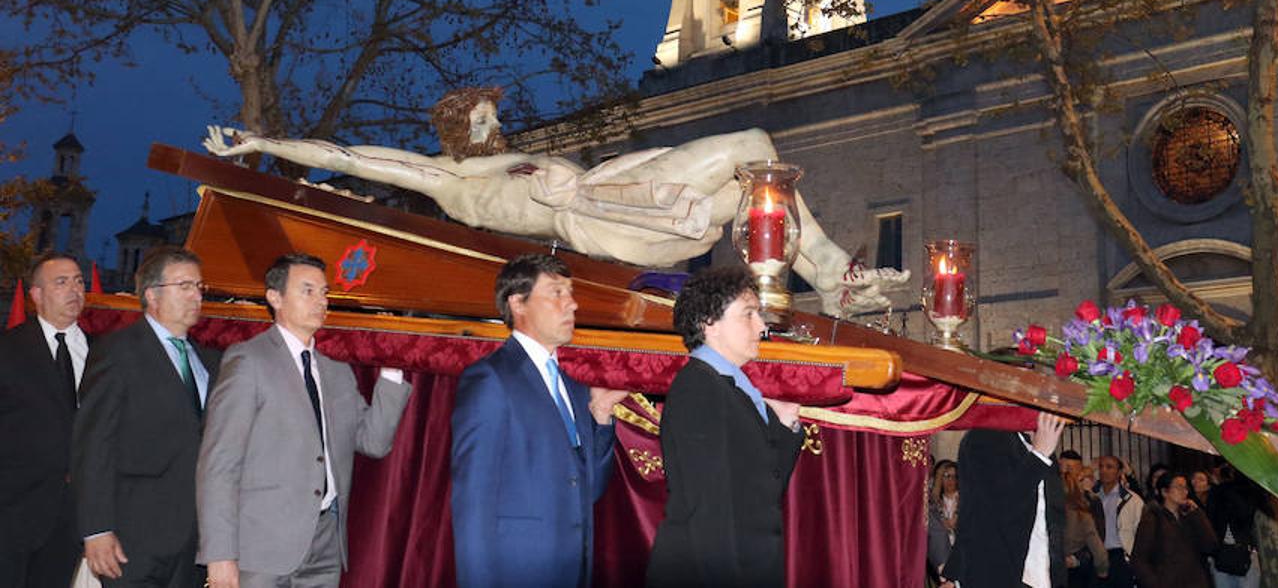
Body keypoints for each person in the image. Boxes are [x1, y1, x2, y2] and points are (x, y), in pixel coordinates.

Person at [204, 87, 908, 314]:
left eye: (494, 118)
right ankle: (830, 278)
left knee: (759, 176)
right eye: (483, 122)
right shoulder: (451, 180)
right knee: (753, 144)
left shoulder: (504, 158)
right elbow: (351, 156)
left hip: (619, 186)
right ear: (457, 133)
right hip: (606, 215)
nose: (497, 128)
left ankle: (834, 279)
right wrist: (260, 141)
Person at [196, 253, 412, 587]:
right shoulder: (248, 360)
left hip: (325, 541)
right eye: (307, 291)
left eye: (324, 293)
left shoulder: (337, 372)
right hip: (262, 547)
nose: (320, 301)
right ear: (275, 297)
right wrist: (219, 555)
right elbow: (220, 464)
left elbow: (373, 441)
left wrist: (392, 368)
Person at [451, 254, 628, 588]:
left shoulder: (574, 388)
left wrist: (601, 420)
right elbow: (473, 503)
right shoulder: (491, 379)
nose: (572, 304)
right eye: (557, 293)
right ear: (518, 303)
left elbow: (589, 489)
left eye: (571, 293)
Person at [646, 266, 804, 588]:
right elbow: (710, 509)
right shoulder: (699, 388)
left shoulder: (731, 387)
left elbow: (763, 487)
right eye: (749, 314)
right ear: (710, 324)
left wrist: (786, 427)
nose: (761, 326)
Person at [72, 246, 221, 587]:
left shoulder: (210, 360)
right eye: (184, 286)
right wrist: (96, 529)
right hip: (134, 536)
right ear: (152, 295)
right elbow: (93, 445)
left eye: (200, 286)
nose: (196, 295)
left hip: (193, 540)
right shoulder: (117, 352)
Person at [0, 254, 88, 588]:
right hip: (11, 511)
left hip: (70, 517)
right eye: (61, 282)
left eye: (79, 281)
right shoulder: (8, 349)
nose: (74, 289)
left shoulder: (103, 354)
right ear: (36, 295)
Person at [943, 414, 1067, 588]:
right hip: (996, 573)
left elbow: (1053, 519)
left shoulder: (1043, 447)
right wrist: (1038, 457)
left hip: (1042, 575)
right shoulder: (984, 437)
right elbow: (991, 509)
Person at [1130, 471, 1219, 588]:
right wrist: (1155, 583)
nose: (1184, 491)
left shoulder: (1190, 517)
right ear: (1164, 492)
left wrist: (1197, 513)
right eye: (1179, 487)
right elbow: (1139, 559)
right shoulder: (1153, 519)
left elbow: (1211, 545)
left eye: (1186, 488)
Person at [1096, 454, 1144, 588]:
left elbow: (1141, 532)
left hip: (1120, 555)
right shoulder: (1092, 496)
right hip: (1097, 554)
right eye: (1101, 467)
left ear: (1119, 472)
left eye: (1109, 467)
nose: (1104, 470)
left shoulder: (1132, 500)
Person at [1062, 469, 1108, 588]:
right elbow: (1098, 549)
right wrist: (1102, 571)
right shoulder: (1083, 516)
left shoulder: (1046, 513)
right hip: (1078, 575)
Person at [928, 460, 960, 579]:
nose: (951, 480)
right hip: (941, 553)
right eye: (947, 476)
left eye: (954, 476)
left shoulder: (966, 500)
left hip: (961, 550)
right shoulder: (933, 504)